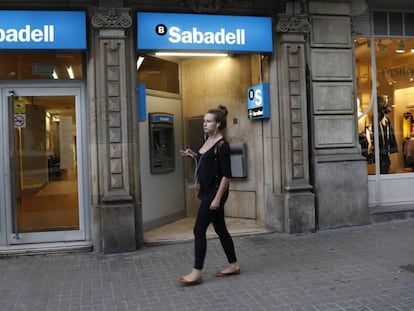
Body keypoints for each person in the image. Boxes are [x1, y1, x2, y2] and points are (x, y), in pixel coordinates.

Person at [178, 105, 240, 286]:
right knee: (220, 229)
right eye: (204, 121)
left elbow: (226, 176)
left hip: (214, 194)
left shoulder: (222, 145)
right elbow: (207, 164)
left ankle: (196, 272)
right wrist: (194, 156)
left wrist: (217, 199)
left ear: (218, 124)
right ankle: (233, 264)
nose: (204, 124)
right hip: (206, 191)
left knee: (199, 230)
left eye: (208, 121)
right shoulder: (208, 140)